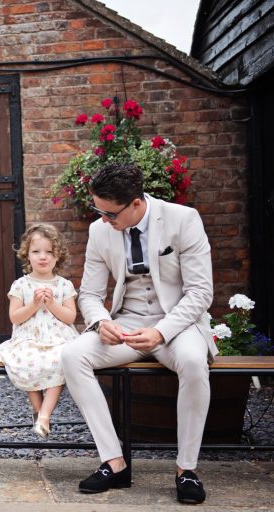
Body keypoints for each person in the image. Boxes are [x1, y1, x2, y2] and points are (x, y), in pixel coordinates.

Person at [61, 162, 215, 504]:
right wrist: (102, 322)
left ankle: (186, 470)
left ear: (135, 203)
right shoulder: (99, 232)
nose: (103, 220)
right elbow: (88, 294)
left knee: (192, 361)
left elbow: (201, 293)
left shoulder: (183, 219)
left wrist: (161, 332)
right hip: (127, 322)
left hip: (177, 322)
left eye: (110, 213)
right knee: (72, 356)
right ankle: (113, 462)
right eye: (97, 210)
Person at [0, 223, 79, 438]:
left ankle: (44, 415)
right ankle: (38, 410)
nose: (43, 257)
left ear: (58, 255)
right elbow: (15, 317)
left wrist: (51, 305)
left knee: (61, 359)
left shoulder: (63, 285)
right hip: (28, 337)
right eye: (36, 251)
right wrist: (33, 304)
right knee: (25, 359)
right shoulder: (21, 285)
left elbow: (70, 317)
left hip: (58, 337)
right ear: (27, 255)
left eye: (49, 252)